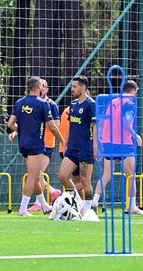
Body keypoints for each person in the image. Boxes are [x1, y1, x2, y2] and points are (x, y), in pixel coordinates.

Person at [7, 76, 65, 216]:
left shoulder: (20, 102)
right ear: (39, 87)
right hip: (36, 144)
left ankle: (44, 206)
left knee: (36, 176)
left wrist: (21, 131)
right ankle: (22, 209)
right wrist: (63, 141)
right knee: (32, 176)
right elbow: (52, 125)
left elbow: (10, 124)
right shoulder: (43, 103)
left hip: (23, 144)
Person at [93, 80, 143, 214]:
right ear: (133, 91)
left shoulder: (113, 101)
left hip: (109, 142)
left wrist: (100, 137)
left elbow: (103, 120)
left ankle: (94, 201)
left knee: (106, 175)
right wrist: (135, 135)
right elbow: (124, 122)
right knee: (131, 176)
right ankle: (132, 206)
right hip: (124, 143)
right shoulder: (130, 104)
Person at [57, 76, 96, 215]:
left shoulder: (91, 104)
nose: (72, 89)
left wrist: (95, 147)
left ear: (83, 87)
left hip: (85, 149)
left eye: (74, 86)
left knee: (86, 181)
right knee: (62, 176)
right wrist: (65, 142)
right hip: (72, 148)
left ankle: (90, 208)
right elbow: (71, 125)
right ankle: (78, 203)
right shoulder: (73, 104)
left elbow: (95, 127)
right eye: (72, 86)